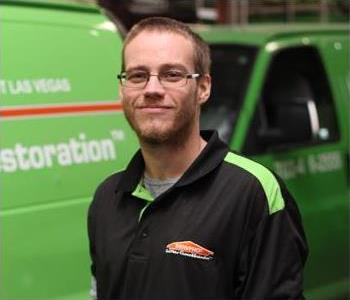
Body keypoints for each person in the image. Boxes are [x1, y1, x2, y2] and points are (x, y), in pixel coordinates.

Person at [87, 17, 308, 300]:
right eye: (138, 75)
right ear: (122, 89)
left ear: (203, 88)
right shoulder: (107, 198)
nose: (152, 89)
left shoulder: (253, 192)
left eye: (172, 75)